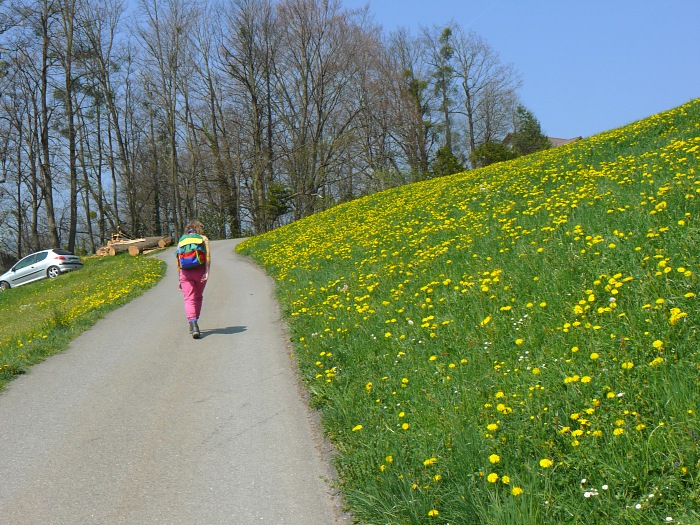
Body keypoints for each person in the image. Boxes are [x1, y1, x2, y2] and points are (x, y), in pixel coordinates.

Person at [176, 220, 210, 339]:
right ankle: (194, 320)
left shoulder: (182, 240)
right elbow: (207, 258)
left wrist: (179, 278)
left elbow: (178, 260)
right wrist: (207, 272)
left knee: (189, 298)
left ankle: (193, 322)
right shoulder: (203, 239)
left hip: (185, 272)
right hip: (200, 271)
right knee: (198, 296)